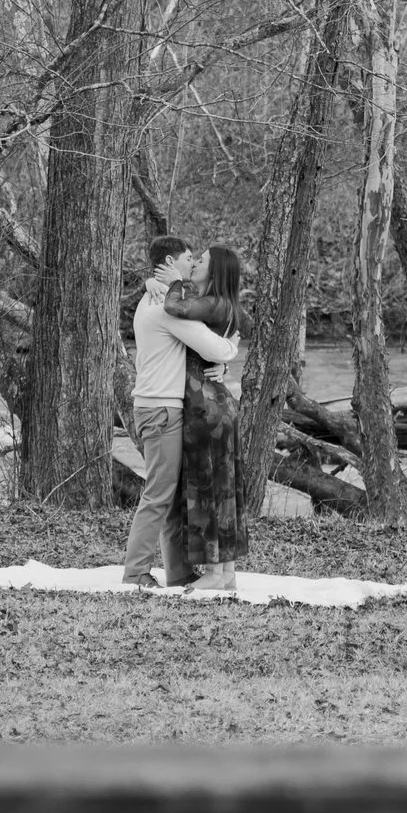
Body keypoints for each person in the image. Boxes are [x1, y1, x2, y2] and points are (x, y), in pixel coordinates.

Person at [123, 235, 238, 586]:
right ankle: (136, 573)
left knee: (171, 496)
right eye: (189, 257)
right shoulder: (164, 307)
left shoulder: (152, 297)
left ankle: (177, 571)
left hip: (156, 407)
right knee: (159, 494)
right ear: (171, 262)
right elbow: (212, 344)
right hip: (161, 409)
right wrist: (231, 349)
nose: (193, 263)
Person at [162, 244, 249, 593]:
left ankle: (214, 573)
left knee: (207, 491)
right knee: (224, 490)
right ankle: (225, 571)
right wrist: (226, 357)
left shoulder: (212, 304)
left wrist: (177, 281)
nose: (196, 263)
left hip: (204, 410)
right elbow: (245, 323)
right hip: (219, 407)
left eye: (202, 262)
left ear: (215, 273)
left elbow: (174, 306)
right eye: (194, 260)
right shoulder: (222, 306)